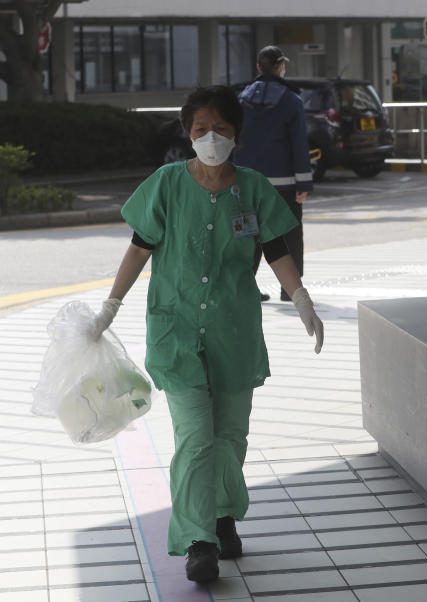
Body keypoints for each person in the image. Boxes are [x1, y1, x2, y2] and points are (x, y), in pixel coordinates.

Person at [89, 85, 325, 584]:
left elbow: (278, 246)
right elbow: (138, 247)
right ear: (187, 133)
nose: (210, 138)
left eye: (219, 128)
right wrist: (111, 305)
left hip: (234, 330)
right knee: (195, 437)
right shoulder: (168, 183)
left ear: (236, 132)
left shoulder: (255, 188)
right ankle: (200, 540)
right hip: (176, 331)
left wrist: (300, 298)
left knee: (229, 435)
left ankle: (221, 516)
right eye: (200, 130)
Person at [234, 45, 313, 302]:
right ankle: (290, 290)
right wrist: (304, 182)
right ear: (281, 67)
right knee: (288, 234)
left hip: (246, 185)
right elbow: (299, 144)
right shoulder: (291, 101)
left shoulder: (241, 100)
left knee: (247, 236)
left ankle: (245, 288)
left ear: (258, 67)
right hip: (284, 185)